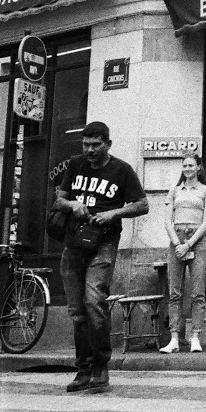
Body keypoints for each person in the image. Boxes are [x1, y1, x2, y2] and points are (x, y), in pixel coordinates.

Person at [53, 121, 148, 393]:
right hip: (73, 243)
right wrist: (73, 204)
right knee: (76, 311)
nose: (90, 150)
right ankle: (83, 370)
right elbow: (59, 199)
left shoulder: (122, 170)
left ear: (108, 143)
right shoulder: (75, 165)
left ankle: (100, 366)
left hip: (103, 241)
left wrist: (113, 213)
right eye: (86, 145)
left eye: (96, 145)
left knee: (94, 300)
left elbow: (143, 204)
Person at [160, 156, 206, 354]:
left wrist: (189, 244)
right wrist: (178, 243)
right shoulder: (174, 191)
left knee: (198, 293)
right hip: (176, 239)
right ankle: (174, 338)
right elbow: (168, 221)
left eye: (191, 165)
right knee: (175, 293)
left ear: (199, 168)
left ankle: (195, 337)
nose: (187, 169)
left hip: (197, 241)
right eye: (184, 166)